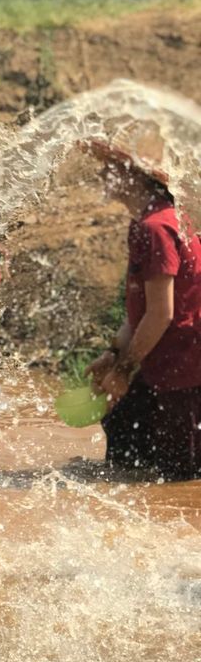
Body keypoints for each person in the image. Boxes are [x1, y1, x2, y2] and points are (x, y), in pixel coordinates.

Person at [84, 140, 201, 480]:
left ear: (132, 176)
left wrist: (123, 370)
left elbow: (161, 313)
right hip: (158, 362)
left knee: (179, 477)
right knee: (121, 430)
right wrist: (113, 352)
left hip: (183, 371)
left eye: (109, 168)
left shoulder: (155, 227)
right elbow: (141, 309)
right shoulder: (146, 222)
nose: (101, 174)